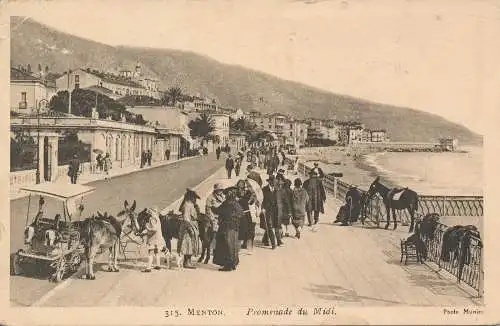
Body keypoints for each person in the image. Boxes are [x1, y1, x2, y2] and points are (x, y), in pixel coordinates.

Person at [212, 187, 243, 271]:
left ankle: (228, 265)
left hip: (226, 227)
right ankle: (233, 264)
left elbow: (219, 211)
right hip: (235, 227)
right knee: (233, 246)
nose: (226, 195)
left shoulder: (227, 203)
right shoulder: (236, 203)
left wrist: (212, 208)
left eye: (227, 194)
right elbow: (241, 213)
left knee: (226, 245)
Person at [178, 189, 201, 269]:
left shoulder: (190, 204)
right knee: (188, 244)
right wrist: (190, 228)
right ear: (190, 197)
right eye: (194, 198)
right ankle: (186, 262)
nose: (195, 200)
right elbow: (186, 217)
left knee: (191, 243)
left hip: (192, 225)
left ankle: (188, 261)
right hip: (188, 226)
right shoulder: (187, 205)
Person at [140, 206, 166, 272]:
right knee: (157, 252)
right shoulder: (157, 218)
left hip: (153, 238)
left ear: (153, 212)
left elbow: (154, 229)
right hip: (159, 238)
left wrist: (147, 228)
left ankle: (148, 268)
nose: (149, 212)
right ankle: (158, 265)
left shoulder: (152, 218)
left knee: (150, 252)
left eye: (150, 211)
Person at [260, 175, 282, 249]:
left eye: (274, 181)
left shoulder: (276, 189)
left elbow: (278, 200)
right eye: (272, 181)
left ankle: (265, 240)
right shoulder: (264, 189)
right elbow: (261, 200)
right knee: (269, 226)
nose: (273, 183)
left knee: (274, 225)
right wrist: (262, 208)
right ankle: (273, 244)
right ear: (269, 182)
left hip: (275, 211)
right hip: (267, 210)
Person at [236, 180, 257, 254]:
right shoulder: (235, 193)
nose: (241, 186)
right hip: (239, 214)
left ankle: (249, 249)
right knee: (240, 232)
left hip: (247, 213)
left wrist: (253, 197)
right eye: (239, 185)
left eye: (242, 185)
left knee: (249, 232)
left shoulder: (248, 193)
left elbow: (250, 203)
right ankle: (238, 249)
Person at [205, 183, 226, 251]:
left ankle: (220, 247)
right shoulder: (210, 197)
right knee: (214, 233)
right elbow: (208, 209)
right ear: (215, 190)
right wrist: (212, 218)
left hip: (222, 217)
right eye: (219, 190)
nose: (220, 191)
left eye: (221, 190)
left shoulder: (223, 196)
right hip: (214, 217)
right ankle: (212, 248)